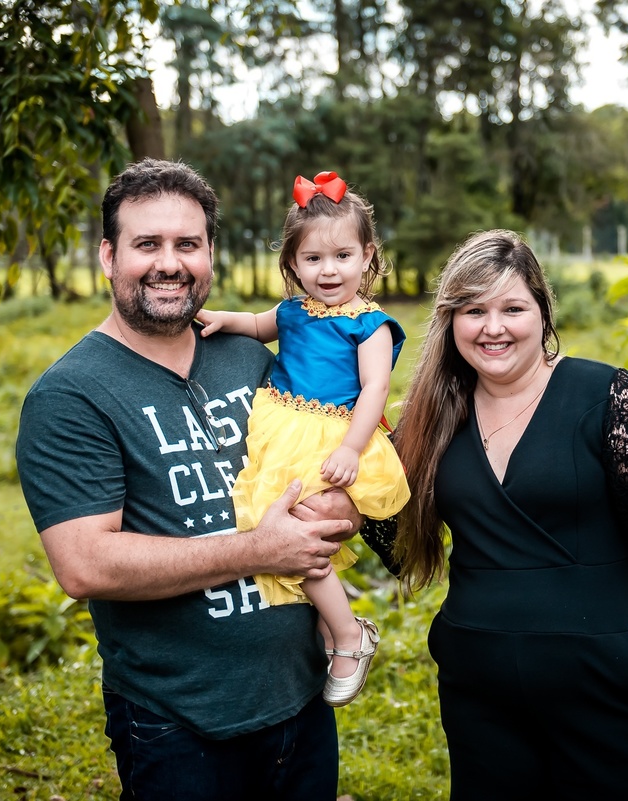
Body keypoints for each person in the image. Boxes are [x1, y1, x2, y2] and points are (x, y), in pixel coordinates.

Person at [15, 158, 373, 801]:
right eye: (147, 244)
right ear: (108, 256)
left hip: (301, 701)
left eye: (187, 244)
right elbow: (85, 565)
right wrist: (259, 550)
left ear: (210, 254)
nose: (169, 263)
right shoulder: (71, 395)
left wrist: (341, 510)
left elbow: (333, 464)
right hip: (179, 723)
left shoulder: (250, 356)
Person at [391, 229, 628, 800]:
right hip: (481, 692)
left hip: (610, 680)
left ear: (543, 313)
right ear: (451, 322)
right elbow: (372, 511)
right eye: (473, 311)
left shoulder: (610, 398)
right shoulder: (433, 416)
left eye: (512, 309)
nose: (493, 327)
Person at [197, 170, 410, 707]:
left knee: (296, 532)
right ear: (293, 263)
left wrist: (350, 448)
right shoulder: (292, 312)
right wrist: (218, 319)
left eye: (342, 256)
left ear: (367, 255)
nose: (328, 270)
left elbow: (375, 389)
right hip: (282, 430)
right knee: (273, 525)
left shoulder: (369, 324)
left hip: (333, 435)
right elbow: (255, 324)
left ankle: (349, 634)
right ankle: (327, 627)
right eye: (313, 258)